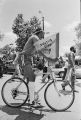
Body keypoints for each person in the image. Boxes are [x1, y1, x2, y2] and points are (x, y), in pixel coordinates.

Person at [18, 27, 58, 106]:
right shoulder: (35, 37)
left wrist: (50, 57)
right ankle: (32, 102)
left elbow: (40, 52)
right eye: (43, 33)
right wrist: (49, 58)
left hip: (28, 60)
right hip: (24, 59)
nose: (44, 35)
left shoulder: (36, 39)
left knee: (31, 79)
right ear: (40, 32)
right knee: (32, 78)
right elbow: (40, 50)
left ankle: (31, 97)